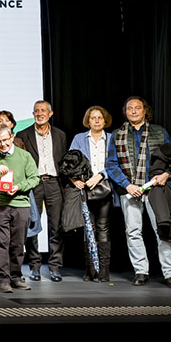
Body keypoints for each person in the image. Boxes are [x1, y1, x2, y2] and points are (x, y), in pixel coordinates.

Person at [110, 96, 171, 287]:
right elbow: (111, 164)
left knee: (162, 230)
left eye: (137, 108)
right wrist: (126, 184)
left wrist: (166, 174)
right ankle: (141, 271)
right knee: (133, 232)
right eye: (129, 108)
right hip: (130, 190)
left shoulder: (159, 132)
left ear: (145, 110)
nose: (133, 111)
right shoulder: (117, 134)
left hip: (155, 189)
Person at [65, 106, 122, 283]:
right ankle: (91, 271)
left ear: (105, 120)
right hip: (85, 189)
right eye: (93, 118)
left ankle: (103, 272)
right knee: (88, 229)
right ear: (87, 121)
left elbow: (116, 163)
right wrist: (76, 180)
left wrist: (100, 175)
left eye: (100, 118)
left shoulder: (112, 138)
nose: (96, 121)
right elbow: (70, 160)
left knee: (103, 227)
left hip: (104, 188)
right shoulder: (79, 138)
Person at [15, 100, 69, 282]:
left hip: (54, 183)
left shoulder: (60, 135)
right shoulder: (23, 134)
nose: (39, 113)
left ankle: (55, 267)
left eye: (43, 110)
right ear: (33, 114)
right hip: (34, 184)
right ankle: (35, 267)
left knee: (56, 227)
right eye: (36, 111)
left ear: (50, 113)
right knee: (33, 226)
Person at [0, 126, 40, 293]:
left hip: (20, 204)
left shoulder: (25, 156)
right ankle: (2, 279)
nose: (2, 144)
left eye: (5, 140)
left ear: (12, 137)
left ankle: (16, 277)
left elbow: (34, 178)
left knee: (17, 244)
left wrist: (19, 187)